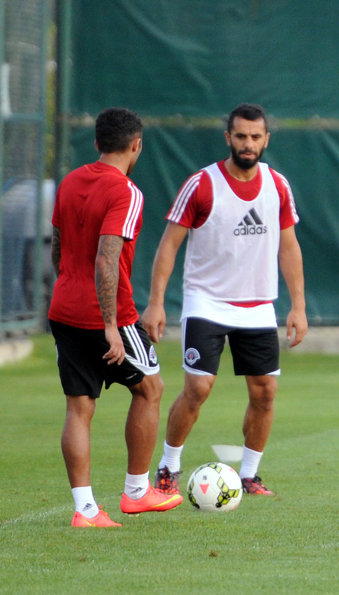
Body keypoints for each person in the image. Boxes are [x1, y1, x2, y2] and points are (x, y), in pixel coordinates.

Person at [141, 103, 307, 497]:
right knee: (198, 388)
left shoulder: (277, 185)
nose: (248, 143)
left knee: (265, 392)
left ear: (266, 140)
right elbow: (169, 245)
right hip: (207, 301)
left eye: (255, 136)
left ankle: (250, 474)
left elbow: (289, 247)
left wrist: (298, 306)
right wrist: (156, 302)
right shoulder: (201, 184)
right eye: (241, 136)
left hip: (258, 305)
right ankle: (168, 465)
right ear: (228, 137)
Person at [49, 107, 183, 528]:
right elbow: (107, 260)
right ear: (136, 145)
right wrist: (111, 326)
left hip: (64, 308)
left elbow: (58, 245)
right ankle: (137, 492)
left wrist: (68, 286)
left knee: (79, 407)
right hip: (108, 316)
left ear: (96, 143)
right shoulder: (126, 192)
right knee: (150, 389)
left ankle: (86, 510)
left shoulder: (71, 181)